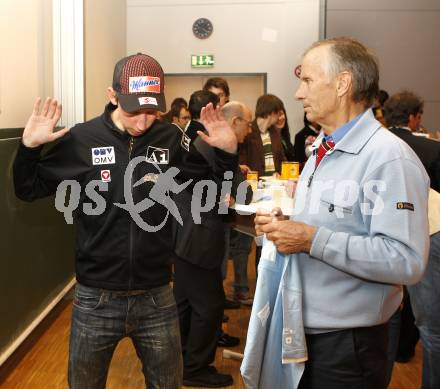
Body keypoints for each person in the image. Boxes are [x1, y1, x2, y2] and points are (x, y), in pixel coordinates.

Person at [13, 53, 238, 389]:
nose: (145, 121)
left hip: (157, 295)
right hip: (95, 298)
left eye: (152, 110)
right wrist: (29, 148)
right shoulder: (81, 139)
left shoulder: (171, 140)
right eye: (135, 110)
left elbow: (217, 200)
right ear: (113, 95)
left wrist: (226, 155)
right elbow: (27, 189)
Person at [248, 37, 429, 389]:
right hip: (307, 333)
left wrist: (311, 239)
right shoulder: (322, 148)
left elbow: (406, 260)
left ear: (343, 83)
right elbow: (327, 224)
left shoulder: (389, 158)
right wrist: (284, 226)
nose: (299, 94)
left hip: (349, 346)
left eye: (308, 81)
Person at [384, 90, 440, 389]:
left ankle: (386, 371)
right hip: (427, 232)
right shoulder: (430, 148)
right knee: (431, 326)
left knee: (389, 310)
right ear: (414, 117)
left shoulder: (374, 147)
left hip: (380, 235)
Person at [220, 101, 255, 304]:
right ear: (235, 121)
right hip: (214, 226)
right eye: (248, 124)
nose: (250, 130)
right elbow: (245, 194)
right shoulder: (226, 147)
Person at [239, 94, 286, 178]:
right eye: (278, 113)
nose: (279, 117)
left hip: (274, 185)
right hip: (253, 184)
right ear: (272, 112)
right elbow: (242, 163)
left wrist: (278, 173)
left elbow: (282, 159)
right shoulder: (247, 132)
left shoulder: (276, 133)